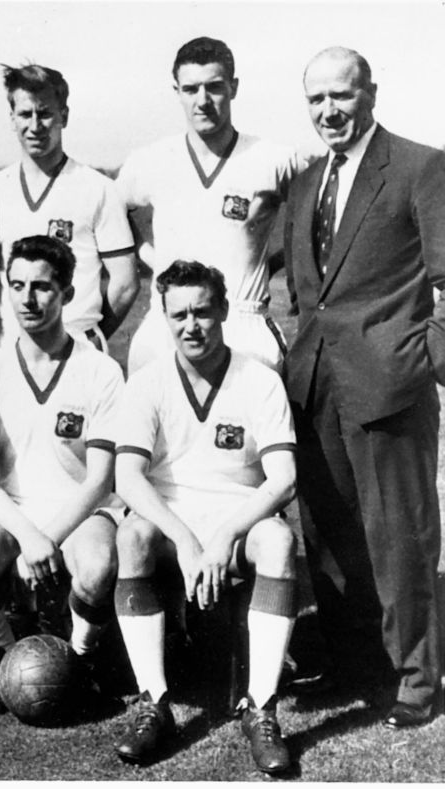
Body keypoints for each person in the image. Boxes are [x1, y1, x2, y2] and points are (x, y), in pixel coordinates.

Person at [283, 46, 445, 729]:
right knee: (328, 532)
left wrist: (415, 360)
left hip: (389, 386)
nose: (329, 111)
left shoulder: (420, 166)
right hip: (315, 383)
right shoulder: (306, 181)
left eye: (341, 96)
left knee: (399, 533)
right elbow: (299, 288)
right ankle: (356, 664)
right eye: (317, 99)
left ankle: (417, 676)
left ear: (370, 93)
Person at [112, 261, 298, 774]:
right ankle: (155, 700)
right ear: (164, 318)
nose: (191, 325)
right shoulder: (148, 381)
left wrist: (223, 536)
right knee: (132, 535)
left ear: (223, 311)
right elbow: (127, 479)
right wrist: (188, 540)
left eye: (201, 312)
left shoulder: (259, 380)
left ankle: (261, 708)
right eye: (179, 315)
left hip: (234, 519)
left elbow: (283, 479)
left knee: (279, 541)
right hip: (173, 523)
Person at [0, 235, 125, 715]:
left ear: (68, 294)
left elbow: (99, 481)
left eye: (43, 287)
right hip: (12, 511)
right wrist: (29, 536)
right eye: (17, 286)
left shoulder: (100, 371)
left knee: (96, 567)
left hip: (80, 509)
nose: (28, 299)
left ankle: (80, 660)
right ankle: (2, 658)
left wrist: (48, 537)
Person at [117, 37, 304, 374]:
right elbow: (111, 213)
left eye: (214, 87)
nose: (202, 101)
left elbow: (319, 209)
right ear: (176, 91)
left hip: (243, 320)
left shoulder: (273, 158)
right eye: (190, 89)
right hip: (167, 323)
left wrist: (277, 260)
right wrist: (152, 258)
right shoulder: (149, 160)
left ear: (233, 87)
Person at [0, 64, 138, 351]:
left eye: (45, 113)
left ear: (64, 116)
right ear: (11, 118)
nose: (35, 126)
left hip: (76, 345)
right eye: (24, 114)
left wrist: (88, 335)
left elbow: (126, 282)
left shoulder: (98, 188)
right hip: (9, 348)